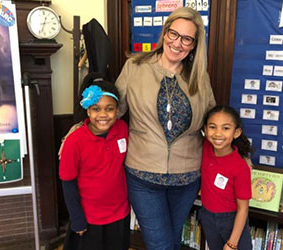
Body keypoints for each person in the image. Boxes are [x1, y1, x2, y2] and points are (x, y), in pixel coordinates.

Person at [60, 6, 215, 249]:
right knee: (160, 245)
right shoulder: (135, 67)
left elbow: (211, 122)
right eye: (173, 34)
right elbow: (111, 108)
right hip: (143, 177)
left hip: (186, 179)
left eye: (187, 39)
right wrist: (78, 127)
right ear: (165, 33)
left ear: (194, 44)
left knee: (172, 240)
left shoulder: (199, 76)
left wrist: (235, 151)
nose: (178, 43)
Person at [59, 74, 130, 250]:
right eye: (96, 109)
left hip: (119, 214)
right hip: (89, 218)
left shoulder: (122, 129)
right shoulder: (74, 141)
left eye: (109, 109)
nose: (103, 115)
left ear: (117, 110)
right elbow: (68, 183)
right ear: (88, 111)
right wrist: (77, 220)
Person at [200, 105, 253, 250]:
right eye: (212, 127)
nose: (218, 133)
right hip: (208, 216)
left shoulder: (240, 167)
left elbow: (243, 209)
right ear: (205, 129)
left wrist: (232, 243)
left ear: (236, 132)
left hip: (232, 220)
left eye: (225, 128)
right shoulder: (205, 147)